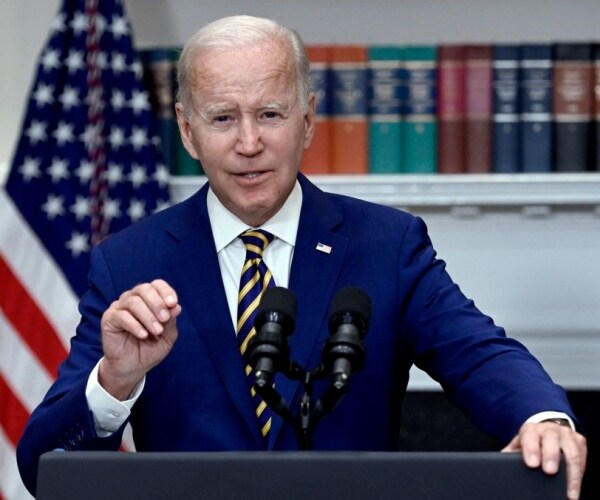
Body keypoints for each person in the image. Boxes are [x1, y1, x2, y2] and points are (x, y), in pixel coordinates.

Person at [17, 14, 586, 498]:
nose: (248, 143)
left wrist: (542, 416)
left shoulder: (385, 245)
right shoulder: (129, 261)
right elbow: (44, 469)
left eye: (270, 114)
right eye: (222, 118)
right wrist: (114, 381)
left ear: (307, 119)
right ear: (188, 133)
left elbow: (479, 353)